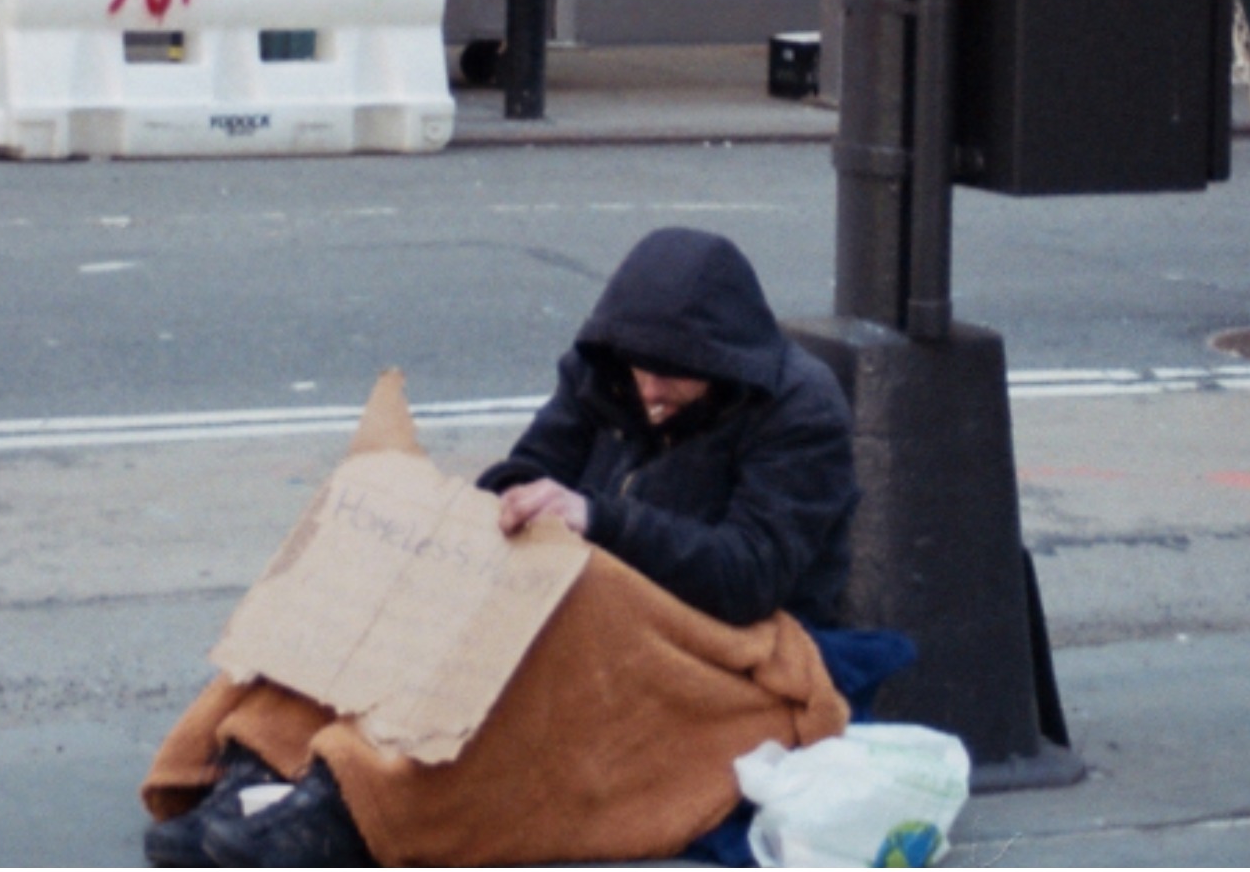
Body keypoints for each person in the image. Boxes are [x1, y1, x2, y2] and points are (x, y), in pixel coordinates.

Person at [141, 227, 861, 867]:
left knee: (570, 595)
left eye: (673, 371)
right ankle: (258, 767)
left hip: (724, 638)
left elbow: (751, 574)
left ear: (723, 359)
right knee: (398, 550)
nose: (649, 389)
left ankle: (344, 801)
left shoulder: (800, 407)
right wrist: (510, 504)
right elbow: (528, 463)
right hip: (602, 582)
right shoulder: (605, 369)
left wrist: (595, 519)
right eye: (639, 366)